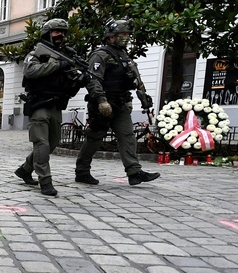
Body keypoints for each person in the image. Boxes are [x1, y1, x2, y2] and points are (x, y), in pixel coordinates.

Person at [14, 18, 104, 197]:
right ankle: (45, 181)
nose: (60, 35)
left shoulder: (68, 55)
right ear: (47, 33)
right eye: (56, 32)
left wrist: (80, 79)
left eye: (62, 32)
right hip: (39, 104)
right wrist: (57, 64)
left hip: (56, 105)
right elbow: (30, 71)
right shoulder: (37, 54)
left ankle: (25, 169)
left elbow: (68, 84)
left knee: (53, 143)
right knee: (42, 144)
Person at [74, 19, 161, 186]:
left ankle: (134, 172)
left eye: (127, 35)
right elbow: (93, 80)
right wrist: (101, 100)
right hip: (103, 104)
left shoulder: (125, 56)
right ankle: (82, 171)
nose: (125, 38)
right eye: (121, 35)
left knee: (127, 136)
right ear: (110, 36)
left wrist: (144, 98)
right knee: (95, 138)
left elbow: (135, 79)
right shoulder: (100, 55)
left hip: (121, 103)